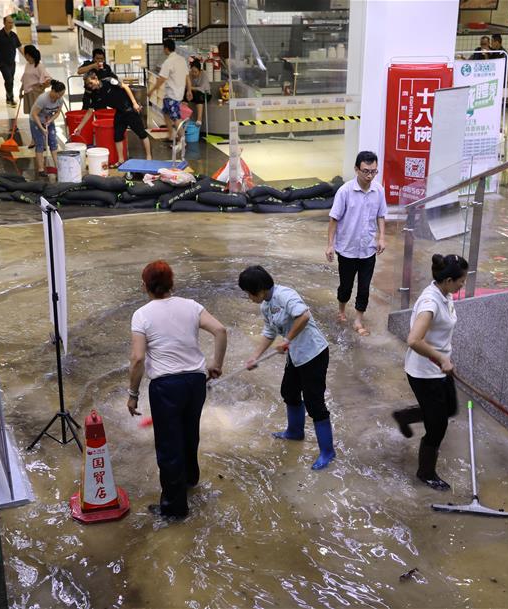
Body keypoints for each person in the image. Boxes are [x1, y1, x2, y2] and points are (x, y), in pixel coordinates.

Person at [127, 260, 227, 520]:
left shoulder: (142, 315)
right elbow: (220, 330)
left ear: (144, 286)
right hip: (195, 382)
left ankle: (174, 509)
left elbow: (137, 358)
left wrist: (133, 394)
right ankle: (190, 480)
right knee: (189, 433)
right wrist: (216, 364)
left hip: (166, 387)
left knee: (169, 446)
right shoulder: (191, 306)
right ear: (172, 283)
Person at [238, 265, 335, 471]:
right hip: (296, 355)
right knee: (289, 392)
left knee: (315, 403)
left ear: (260, 289)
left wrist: (287, 339)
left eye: (249, 293)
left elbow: (304, 316)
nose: (249, 297)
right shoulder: (265, 306)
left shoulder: (285, 295)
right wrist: (254, 357)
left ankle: (327, 451)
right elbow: (269, 332)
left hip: (313, 353)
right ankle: (295, 432)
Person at [392, 254, 469, 491]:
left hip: (439, 367)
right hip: (424, 373)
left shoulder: (445, 293)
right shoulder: (430, 303)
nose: (463, 284)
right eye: (461, 280)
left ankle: (405, 416)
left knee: (450, 408)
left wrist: (444, 358)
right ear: (448, 280)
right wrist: (442, 358)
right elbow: (413, 340)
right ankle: (426, 473)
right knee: (437, 427)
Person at [325, 150, 387, 337]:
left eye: (373, 171)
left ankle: (358, 320)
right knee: (346, 286)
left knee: (364, 287)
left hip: (368, 249)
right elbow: (334, 219)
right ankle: (342, 310)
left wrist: (381, 237)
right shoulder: (345, 191)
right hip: (347, 249)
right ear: (356, 169)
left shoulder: (378, 190)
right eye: (366, 171)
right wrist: (330, 245)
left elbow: (381, 215)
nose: (370, 176)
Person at [72, 71, 151, 163]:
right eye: (88, 84)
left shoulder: (109, 81)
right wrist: (79, 127)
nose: (90, 86)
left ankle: (149, 156)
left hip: (129, 109)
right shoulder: (94, 94)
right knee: (117, 136)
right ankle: (121, 160)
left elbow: (125, 87)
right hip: (119, 112)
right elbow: (89, 112)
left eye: (90, 83)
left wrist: (134, 103)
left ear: (96, 78)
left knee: (142, 133)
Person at [148, 39, 191, 144]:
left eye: (164, 48)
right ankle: (171, 135)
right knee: (166, 113)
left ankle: (182, 140)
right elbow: (187, 77)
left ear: (166, 48)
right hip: (178, 93)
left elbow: (161, 79)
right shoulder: (182, 60)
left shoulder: (168, 62)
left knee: (176, 118)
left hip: (172, 94)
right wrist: (189, 90)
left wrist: (152, 90)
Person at [30, 80, 66, 177]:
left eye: (62, 94)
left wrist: (50, 121)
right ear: (53, 91)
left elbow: (57, 112)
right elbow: (34, 114)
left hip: (48, 120)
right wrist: (42, 129)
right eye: (59, 94)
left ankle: (58, 167)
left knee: (53, 142)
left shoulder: (60, 100)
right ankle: (41, 169)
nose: (60, 96)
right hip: (36, 120)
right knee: (40, 144)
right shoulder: (43, 99)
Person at [0, 15, 23, 107]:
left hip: (12, 62)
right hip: (2, 62)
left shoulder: (14, 35)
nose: (11, 24)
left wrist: (28, 57)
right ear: (4, 23)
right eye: (9, 22)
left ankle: (8, 97)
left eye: (12, 23)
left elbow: (20, 48)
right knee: (8, 79)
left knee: (10, 80)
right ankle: (11, 98)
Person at [20, 45, 51, 116]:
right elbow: (25, 78)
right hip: (27, 93)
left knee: (37, 113)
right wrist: (21, 90)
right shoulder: (27, 65)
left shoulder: (39, 66)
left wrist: (41, 88)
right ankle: (33, 123)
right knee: (31, 113)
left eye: (25, 54)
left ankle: (40, 123)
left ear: (28, 55)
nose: (25, 56)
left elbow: (48, 79)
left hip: (35, 93)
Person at [186, 59, 210, 126]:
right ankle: (185, 117)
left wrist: (190, 88)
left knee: (198, 95)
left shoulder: (204, 75)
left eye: (195, 72)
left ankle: (199, 119)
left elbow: (202, 89)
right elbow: (186, 86)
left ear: (200, 71)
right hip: (193, 94)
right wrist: (189, 89)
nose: (193, 73)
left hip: (205, 94)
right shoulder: (189, 74)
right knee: (185, 95)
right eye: (192, 71)